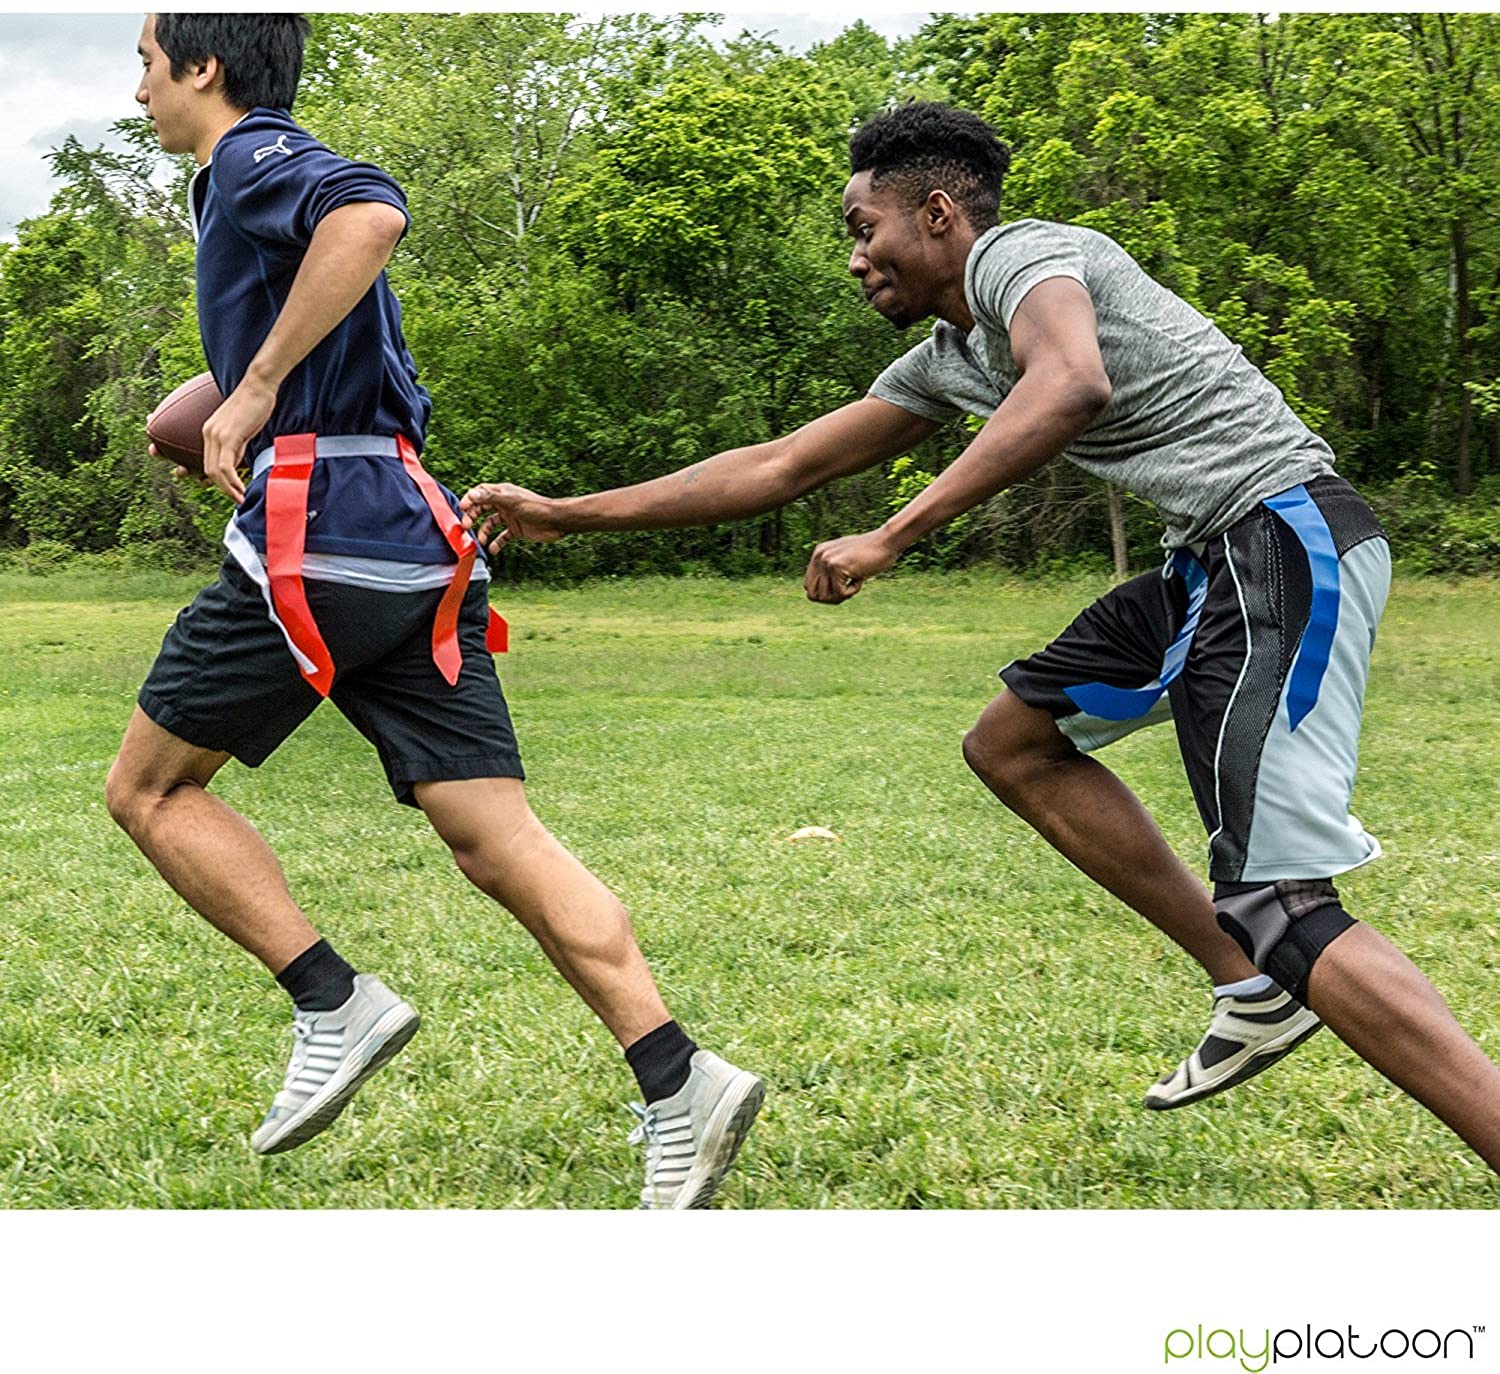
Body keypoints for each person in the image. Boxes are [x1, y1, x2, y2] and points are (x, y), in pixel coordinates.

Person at [462, 101, 1500, 1173]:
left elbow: (1071, 382)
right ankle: (1248, 983)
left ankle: (1300, 979)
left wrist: (897, 533)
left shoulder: (1027, 256)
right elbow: (783, 466)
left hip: (1280, 538)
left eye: (865, 230)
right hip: (1208, 562)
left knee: (1285, 904)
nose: (857, 258)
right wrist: (565, 512)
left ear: (940, 214)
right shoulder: (953, 356)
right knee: (1014, 742)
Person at [106, 13, 762, 1209]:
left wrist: (254, 390)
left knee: (148, 789)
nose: (136, 87)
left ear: (203, 69)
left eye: (146, 64)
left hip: (323, 536)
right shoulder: (232, 202)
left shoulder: (254, 155)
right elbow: (329, 312)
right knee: (495, 835)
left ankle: (332, 1001)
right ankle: (680, 1078)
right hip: (415, 540)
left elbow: (371, 212)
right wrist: (218, 388)